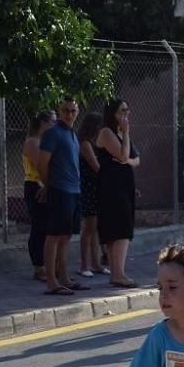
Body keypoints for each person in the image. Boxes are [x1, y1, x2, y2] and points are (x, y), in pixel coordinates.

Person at [38, 97, 86, 296]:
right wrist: (48, 186)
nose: (70, 114)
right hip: (60, 189)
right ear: (59, 111)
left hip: (74, 190)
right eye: (66, 110)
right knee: (54, 235)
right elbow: (42, 164)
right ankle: (51, 281)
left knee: (66, 236)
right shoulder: (52, 133)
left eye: (73, 111)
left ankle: (64, 277)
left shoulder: (72, 134)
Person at [96, 99, 140, 288]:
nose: (126, 114)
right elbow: (123, 155)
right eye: (122, 110)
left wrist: (128, 161)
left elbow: (135, 158)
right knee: (120, 230)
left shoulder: (122, 133)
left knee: (121, 228)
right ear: (112, 113)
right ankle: (119, 274)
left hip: (124, 185)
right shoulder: (107, 133)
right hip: (112, 187)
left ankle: (116, 274)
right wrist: (126, 134)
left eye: (127, 110)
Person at [22, 110, 56, 282]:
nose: (55, 125)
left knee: (49, 226)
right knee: (39, 226)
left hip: (48, 184)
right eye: (52, 121)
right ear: (43, 123)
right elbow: (41, 166)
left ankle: (49, 265)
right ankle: (39, 267)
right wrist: (48, 185)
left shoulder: (46, 141)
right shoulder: (33, 142)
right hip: (36, 185)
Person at [77, 112, 106, 278]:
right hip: (89, 187)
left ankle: (96, 264)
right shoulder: (85, 143)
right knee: (89, 227)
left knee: (95, 228)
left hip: (96, 187)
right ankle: (83, 265)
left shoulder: (95, 143)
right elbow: (95, 166)